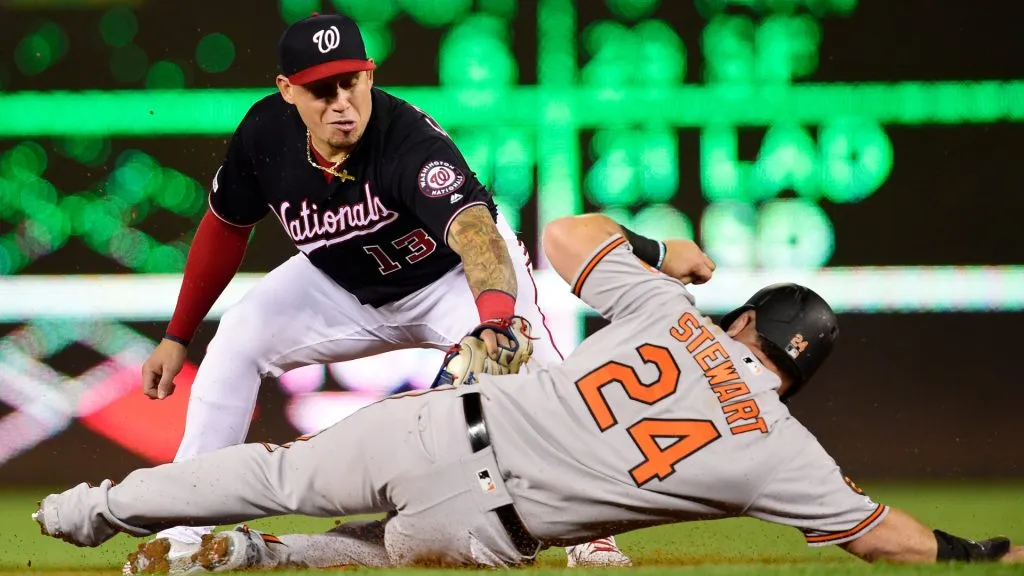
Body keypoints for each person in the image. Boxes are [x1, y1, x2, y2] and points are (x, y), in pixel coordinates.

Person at [35, 213, 1022, 570]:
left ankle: (92, 510)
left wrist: (663, 255)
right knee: (384, 560)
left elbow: (563, 238)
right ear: (800, 377)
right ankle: (252, 561)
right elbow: (877, 534)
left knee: (276, 469)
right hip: (485, 534)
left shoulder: (673, 316)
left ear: (738, 323)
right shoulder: (784, 451)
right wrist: (971, 553)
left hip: (439, 425)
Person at [136, 9, 628, 569]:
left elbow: (476, 236)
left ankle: (590, 531)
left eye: (351, 82)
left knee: (535, 376)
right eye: (321, 89)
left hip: (447, 281)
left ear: (369, 77)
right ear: (287, 90)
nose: (341, 101)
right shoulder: (264, 135)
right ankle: (184, 533)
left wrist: (494, 319)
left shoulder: (409, 141)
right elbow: (226, 227)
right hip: (341, 283)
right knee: (238, 338)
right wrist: (177, 335)